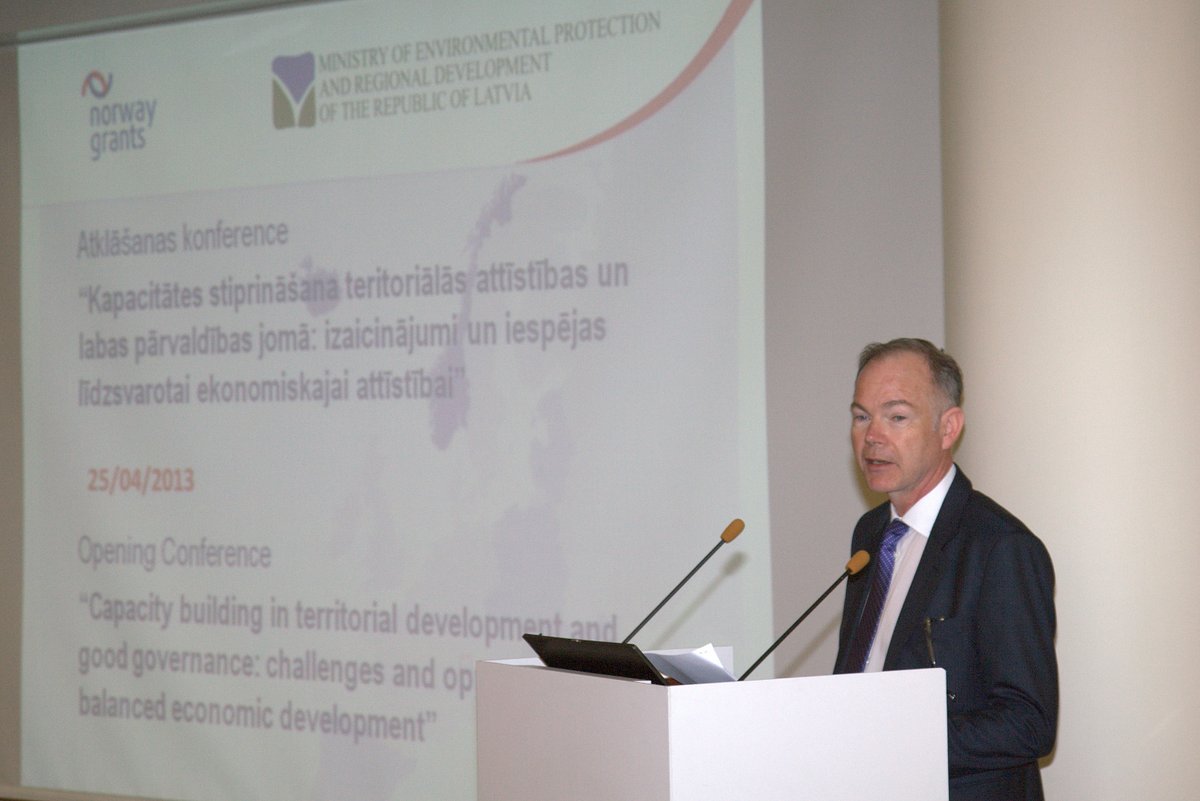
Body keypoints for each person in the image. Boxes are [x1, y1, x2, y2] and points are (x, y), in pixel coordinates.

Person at [833, 338, 1057, 801]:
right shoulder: (871, 534)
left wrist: (892, 744)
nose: (872, 436)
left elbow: (1027, 723)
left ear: (948, 427)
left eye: (897, 417)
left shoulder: (1000, 547)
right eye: (861, 417)